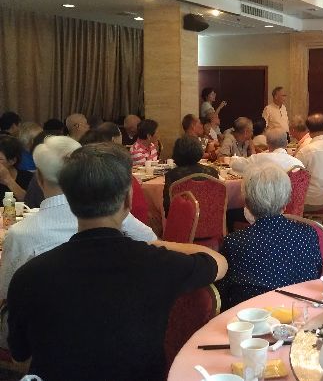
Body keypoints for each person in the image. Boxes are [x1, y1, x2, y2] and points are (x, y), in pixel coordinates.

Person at [6, 142, 227, 381]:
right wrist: (158, 246)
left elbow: (19, 354)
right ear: (127, 200)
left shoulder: (29, 276)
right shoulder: (158, 265)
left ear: (69, 199)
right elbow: (219, 262)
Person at [0, 136, 157, 346]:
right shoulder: (111, 214)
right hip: (113, 324)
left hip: (45, 336)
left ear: (39, 178)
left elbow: (6, 291)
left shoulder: (21, 233)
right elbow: (150, 241)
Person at [216, 164, 321, 310]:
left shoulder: (234, 242)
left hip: (252, 317)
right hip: (300, 313)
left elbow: (223, 291)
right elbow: (317, 275)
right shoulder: (308, 234)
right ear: (286, 201)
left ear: (247, 204)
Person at [163, 136, 218, 216]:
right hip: (211, 219)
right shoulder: (212, 172)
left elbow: (168, 209)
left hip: (182, 220)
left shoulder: (172, 175)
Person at [230, 128, 303, 174]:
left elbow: (236, 165)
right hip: (291, 195)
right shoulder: (298, 164)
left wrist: (233, 160)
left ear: (268, 143)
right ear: (286, 143)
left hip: (266, 195)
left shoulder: (260, 158)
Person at [0, 136, 32, 201]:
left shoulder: (27, 177)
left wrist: (8, 180)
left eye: (0, 159)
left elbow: (29, 202)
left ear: (12, 161)